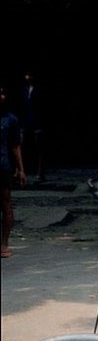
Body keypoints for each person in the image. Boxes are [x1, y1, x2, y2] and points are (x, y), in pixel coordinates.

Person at [1, 85, 27, 258]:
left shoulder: (10, 120)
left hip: (3, 167)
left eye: (3, 93)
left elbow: (15, 147)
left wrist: (21, 170)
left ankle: (4, 243)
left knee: (6, 204)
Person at [19, 72, 45, 183]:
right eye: (27, 75)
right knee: (21, 146)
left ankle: (40, 173)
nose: (28, 77)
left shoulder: (40, 89)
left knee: (40, 148)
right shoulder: (24, 89)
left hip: (38, 121)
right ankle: (20, 171)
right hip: (26, 121)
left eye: (30, 75)